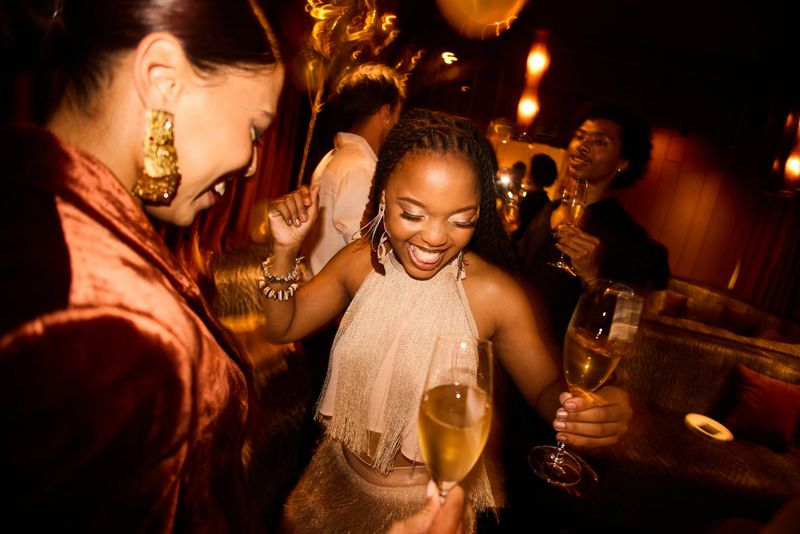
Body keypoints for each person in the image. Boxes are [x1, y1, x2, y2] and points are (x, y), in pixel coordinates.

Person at [0, 1, 461, 531]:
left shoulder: (41, 216)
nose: (252, 164)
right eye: (255, 130)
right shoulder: (103, 317)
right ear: (163, 81)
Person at [260, 109, 633, 532]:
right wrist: (284, 251)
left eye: (461, 220)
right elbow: (281, 326)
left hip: (425, 513)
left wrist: (585, 409)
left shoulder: (495, 295)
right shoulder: (360, 261)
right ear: (382, 196)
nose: (435, 238)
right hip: (330, 487)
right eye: (412, 214)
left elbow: (547, 389)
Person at [518, 100, 671, 345]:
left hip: (561, 357)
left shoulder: (629, 237)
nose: (582, 146)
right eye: (580, 136)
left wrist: (592, 276)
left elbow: (621, 330)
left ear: (622, 163)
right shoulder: (548, 210)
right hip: (512, 341)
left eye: (599, 142)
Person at [302, 62, 406, 278]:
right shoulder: (360, 168)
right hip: (335, 296)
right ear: (386, 112)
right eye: (398, 115)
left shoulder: (333, 157)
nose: (398, 125)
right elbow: (367, 256)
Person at [511, 153, 558, 241]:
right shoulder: (545, 200)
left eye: (529, 167)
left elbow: (522, 231)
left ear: (534, 173)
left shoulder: (531, 200)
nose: (526, 170)